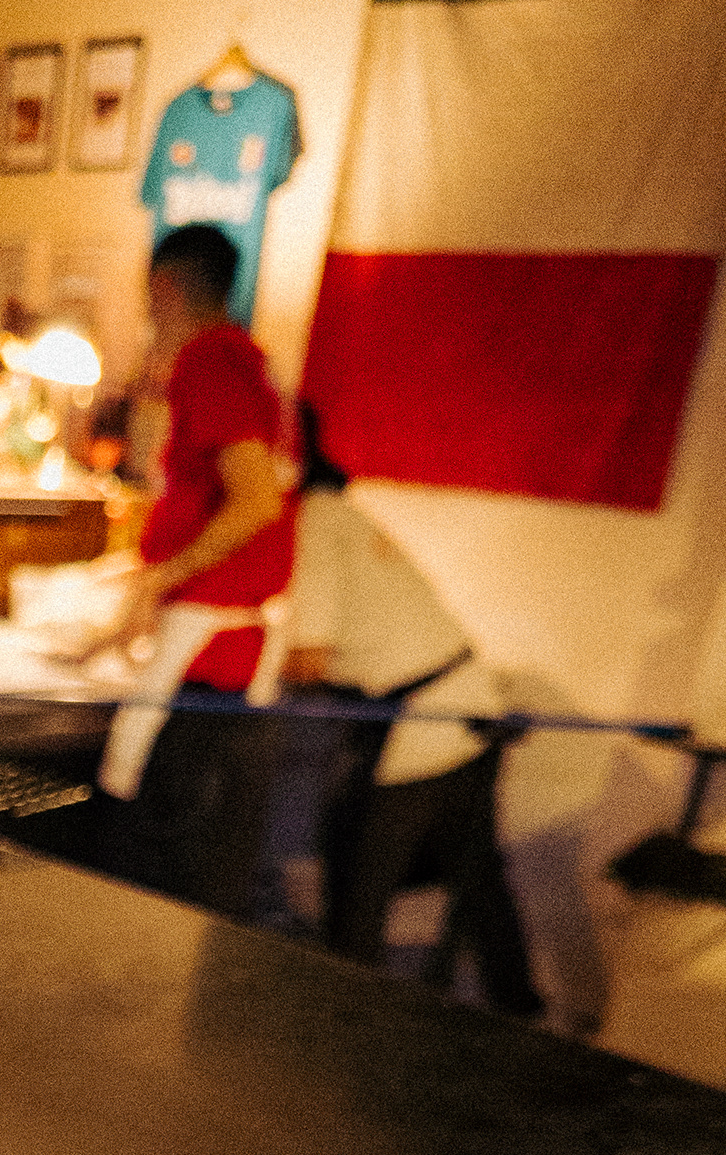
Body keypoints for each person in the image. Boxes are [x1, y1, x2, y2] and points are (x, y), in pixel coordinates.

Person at [55, 224, 295, 920]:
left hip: (208, 656)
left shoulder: (212, 361)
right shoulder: (246, 362)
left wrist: (164, 577)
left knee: (146, 854)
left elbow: (256, 500)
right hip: (226, 646)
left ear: (162, 287)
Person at [283, 402, 543, 1015]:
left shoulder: (317, 519)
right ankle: (524, 1011)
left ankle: (340, 1022)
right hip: (468, 700)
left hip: (423, 722)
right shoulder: (342, 511)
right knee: (477, 877)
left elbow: (310, 660)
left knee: (359, 880)